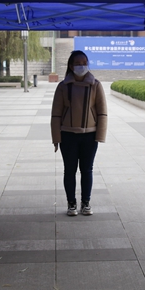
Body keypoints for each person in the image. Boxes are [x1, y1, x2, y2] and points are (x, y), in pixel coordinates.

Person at [51, 50, 107, 216]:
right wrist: (56, 138)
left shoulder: (95, 85)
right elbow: (56, 114)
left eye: (84, 63)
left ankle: (86, 202)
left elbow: (102, 112)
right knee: (69, 170)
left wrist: (100, 135)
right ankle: (71, 204)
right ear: (71, 66)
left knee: (87, 170)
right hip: (68, 135)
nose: (82, 66)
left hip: (89, 135)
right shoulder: (63, 86)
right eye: (78, 63)